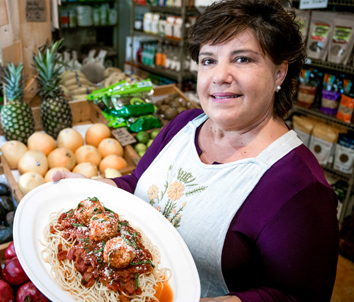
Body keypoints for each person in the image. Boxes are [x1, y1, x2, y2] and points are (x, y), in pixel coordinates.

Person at [52, 0, 339, 301]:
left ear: (280, 73)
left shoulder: (299, 186)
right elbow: (140, 184)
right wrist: (100, 188)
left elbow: (296, 296)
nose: (219, 76)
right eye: (208, 60)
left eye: (242, 59)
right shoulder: (185, 125)